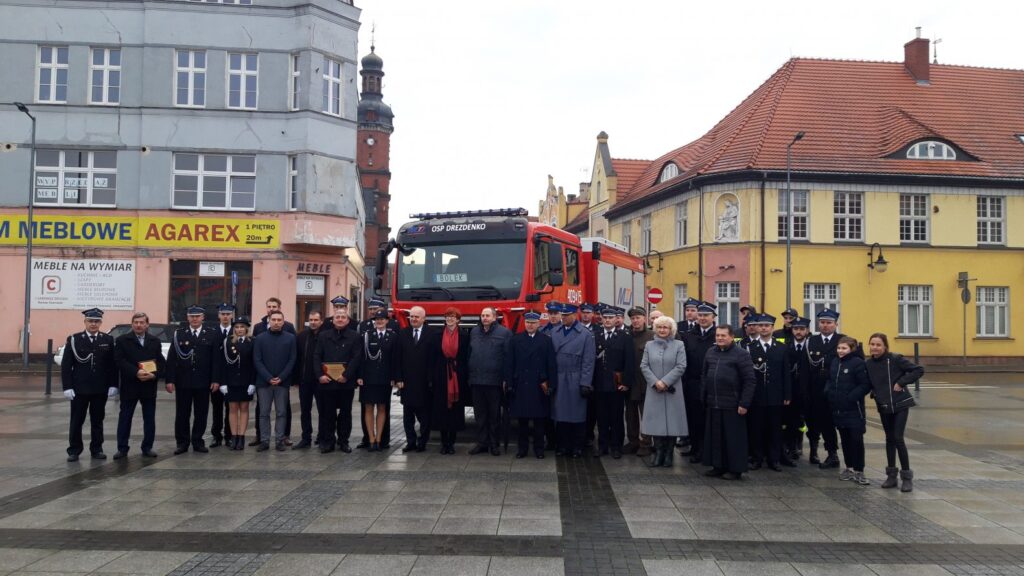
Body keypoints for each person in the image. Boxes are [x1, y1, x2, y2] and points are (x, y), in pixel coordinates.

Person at [865, 333, 924, 492]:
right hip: (884, 405)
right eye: (872, 344)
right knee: (889, 438)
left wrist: (901, 382)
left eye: (878, 345)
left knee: (898, 438)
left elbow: (918, 370)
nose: (875, 347)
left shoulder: (895, 359)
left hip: (900, 404)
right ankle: (891, 475)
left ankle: (906, 477)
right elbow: (867, 382)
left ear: (885, 346)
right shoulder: (868, 364)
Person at [62, 308, 118, 462]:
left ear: (100, 322)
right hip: (79, 388)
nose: (93, 324)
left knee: (97, 420)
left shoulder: (107, 340)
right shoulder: (74, 339)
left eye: (96, 321)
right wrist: (67, 387)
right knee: (76, 421)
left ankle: (97, 449)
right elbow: (67, 365)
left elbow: (112, 365)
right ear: (85, 322)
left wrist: (113, 384)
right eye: (90, 321)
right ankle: (74, 450)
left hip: (100, 388)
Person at [702, 325, 756, 480]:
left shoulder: (741, 354)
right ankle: (717, 466)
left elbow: (750, 381)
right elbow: (704, 375)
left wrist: (744, 403)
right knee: (716, 437)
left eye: (723, 335)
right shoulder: (710, 352)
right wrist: (704, 397)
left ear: (732, 337)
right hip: (714, 402)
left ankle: (735, 469)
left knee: (733, 439)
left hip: (733, 403)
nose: (719, 338)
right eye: (718, 335)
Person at [504, 311, 557, 458]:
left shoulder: (546, 340)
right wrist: (508, 383)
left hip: (539, 385)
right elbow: (509, 363)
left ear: (539, 323)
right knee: (522, 421)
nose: (530, 325)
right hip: (520, 384)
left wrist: (552, 384)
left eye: (533, 323)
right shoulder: (515, 340)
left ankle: (539, 449)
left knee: (539, 421)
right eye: (528, 322)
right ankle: (522, 449)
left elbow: (551, 364)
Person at [113, 312, 165, 459]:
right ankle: (122, 448)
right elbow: (119, 361)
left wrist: (154, 375)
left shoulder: (154, 341)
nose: (139, 325)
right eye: (136, 322)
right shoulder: (122, 340)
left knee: (149, 418)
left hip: (148, 385)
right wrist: (136, 372)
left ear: (147, 324)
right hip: (130, 385)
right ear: (132, 324)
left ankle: (147, 447)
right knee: (125, 417)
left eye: (142, 322)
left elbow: (160, 362)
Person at [166, 305, 217, 454]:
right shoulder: (179, 334)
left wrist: (215, 379)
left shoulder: (211, 334)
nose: (194, 319)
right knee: (182, 413)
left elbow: (216, 360)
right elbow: (171, 359)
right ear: (187, 318)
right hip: (183, 381)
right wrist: (170, 380)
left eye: (197, 316)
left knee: (201, 413)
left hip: (203, 381)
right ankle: (182, 442)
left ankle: (197, 441)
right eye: (192, 316)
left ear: (203, 317)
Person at [806, 308, 853, 469]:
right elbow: (806, 366)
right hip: (817, 391)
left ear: (836, 324)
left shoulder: (844, 340)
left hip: (837, 390)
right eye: (822, 322)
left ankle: (850, 459)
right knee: (824, 423)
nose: (825, 326)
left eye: (829, 323)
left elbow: (855, 364)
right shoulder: (811, 341)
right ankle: (831, 454)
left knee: (842, 425)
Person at [746, 314, 794, 471]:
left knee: (775, 428)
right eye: (761, 326)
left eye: (767, 326)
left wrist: (787, 395)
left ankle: (774, 459)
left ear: (773, 328)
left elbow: (786, 373)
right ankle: (757, 458)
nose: (764, 328)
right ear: (757, 328)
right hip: (757, 395)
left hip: (776, 395)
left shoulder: (781, 347)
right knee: (756, 428)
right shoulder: (750, 347)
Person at [640, 315, 687, 467]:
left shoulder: (679, 345)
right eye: (659, 327)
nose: (662, 330)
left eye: (665, 327)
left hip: (673, 390)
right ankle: (658, 452)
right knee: (656, 422)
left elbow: (681, 366)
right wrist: (656, 382)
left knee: (673, 422)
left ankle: (669, 454)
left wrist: (665, 382)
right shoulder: (649, 345)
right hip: (655, 390)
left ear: (671, 329)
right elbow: (644, 366)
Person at [550, 303, 596, 457]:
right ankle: (562, 445)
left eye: (566, 315)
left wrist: (585, 383)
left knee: (577, 415)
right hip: (559, 377)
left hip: (575, 378)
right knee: (560, 415)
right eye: (562, 315)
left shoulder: (585, 334)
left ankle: (577, 446)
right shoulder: (554, 332)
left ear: (574, 315)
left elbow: (588, 361)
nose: (563, 318)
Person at [825, 336, 872, 485]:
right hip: (838, 408)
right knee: (845, 439)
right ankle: (849, 467)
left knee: (856, 439)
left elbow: (865, 385)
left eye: (844, 348)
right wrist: (828, 392)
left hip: (853, 409)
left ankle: (859, 470)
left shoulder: (858, 363)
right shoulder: (835, 362)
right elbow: (830, 380)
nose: (840, 351)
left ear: (852, 349)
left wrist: (851, 397)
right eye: (839, 348)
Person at [313, 308, 360, 453]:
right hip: (327, 381)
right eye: (337, 317)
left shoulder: (355, 336)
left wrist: (346, 375)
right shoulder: (323, 336)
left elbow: (356, 358)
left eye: (343, 317)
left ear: (348, 320)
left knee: (345, 413)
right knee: (328, 413)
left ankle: (343, 441)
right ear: (332, 320)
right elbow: (316, 356)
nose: (340, 319)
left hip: (345, 381)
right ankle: (328, 442)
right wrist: (320, 375)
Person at [467, 307, 512, 455]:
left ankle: (494, 444)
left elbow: (508, 358)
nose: (484, 318)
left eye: (487, 315)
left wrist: (506, 379)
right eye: (482, 315)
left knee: (494, 416)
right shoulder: (474, 332)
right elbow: (469, 354)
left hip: (494, 381)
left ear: (494, 317)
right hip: (477, 380)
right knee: (479, 415)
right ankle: (482, 443)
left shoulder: (504, 333)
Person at [250, 298, 295, 446]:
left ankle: (280, 439)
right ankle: (264, 440)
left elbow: (292, 360)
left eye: (279, 320)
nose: (276, 322)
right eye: (273, 319)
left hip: (283, 382)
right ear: (269, 321)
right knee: (264, 413)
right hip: (264, 382)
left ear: (283, 322)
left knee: (282, 412)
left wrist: (281, 377)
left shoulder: (290, 338)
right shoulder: (260, 338)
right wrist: (268, 377)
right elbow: (257, 360)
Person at [356, 298, 398, 450]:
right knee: (368, 408)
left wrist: (395, 377)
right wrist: (359, 376)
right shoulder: (366, 335)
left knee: (382, 408)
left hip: (384, 378)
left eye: (382, 319)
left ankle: (379, 439)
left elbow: (395, 359)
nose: (379, 321)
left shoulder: (393, 336)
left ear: (387, 320)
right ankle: (371, 438)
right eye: (377, 319)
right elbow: (361, 357)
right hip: (368, 377)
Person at [593, 306, 634, 459]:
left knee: (616, 417)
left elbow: (629, 362)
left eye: (611, 318)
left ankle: (616, 446)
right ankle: (602, 446)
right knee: (601, 417)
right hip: (599, 383)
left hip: (616, 384)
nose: (608, 320)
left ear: (616, 319)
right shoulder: (595, 335)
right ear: (602, 319)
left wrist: (626, 382)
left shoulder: (624, 336)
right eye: (606, 318)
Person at [680, 303, 717, 462]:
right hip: (693, 383)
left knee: (709, 419)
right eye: (700, 315)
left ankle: (707, 451)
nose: (702, 318)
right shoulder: (689, 335)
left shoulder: (718, 335)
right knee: (693, 418)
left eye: (706, 315)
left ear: (713, 318)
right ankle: (695, 448)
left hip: (712, 384)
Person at [394, 306, 434, 452]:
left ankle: (422, 442)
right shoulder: (403, 334)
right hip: (407, 382)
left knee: (424, 416)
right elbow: (397, 358)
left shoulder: (432, 334)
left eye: (417, 317)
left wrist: (431, 380)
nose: (414, 319)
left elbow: (433, 360)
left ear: (424, 318)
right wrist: (398, 378)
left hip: (424, 383)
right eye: (412, 316)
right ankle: (410, 442)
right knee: (408, 416)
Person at [213, 316, 256, 450]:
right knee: (232, 409)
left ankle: (241, 438)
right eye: (236, 327)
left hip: (246, 381)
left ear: (247, 328)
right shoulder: (227, 342)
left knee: (244, 409)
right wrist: (223, 383)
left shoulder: (252, 342)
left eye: (242, 327)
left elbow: (255, 364)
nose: (239, 329)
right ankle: (234, 436)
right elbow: (223, 363)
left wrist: (252, 383)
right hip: (231, 381)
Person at [432, 307, 469, 454]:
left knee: (455, 411)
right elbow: (433, 357)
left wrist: (464, 374)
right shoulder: (437, 335)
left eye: (453, 316)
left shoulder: (465, 336)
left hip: (457, 377)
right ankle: (443, 442)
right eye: (447, 316)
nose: (450, 319)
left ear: (458, 319)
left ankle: (452, 443)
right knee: (442, 410)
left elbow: (466, 357)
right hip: (441, 377)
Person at [292, 310, 324, 450]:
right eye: (311, 320)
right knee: (305, 410)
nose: (313, 322)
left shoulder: (325, 336)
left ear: (321, 321)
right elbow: (297, 358)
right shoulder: (301, 336)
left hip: (321, 380)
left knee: (323, 410)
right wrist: (296, 379)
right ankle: (306, 438)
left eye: (316, 320)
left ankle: (322, 436)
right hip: (305, 380)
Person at [626, 307, 654, 456]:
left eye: (638, 317)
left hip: (646, 382)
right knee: (630, 415)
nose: (635, 321)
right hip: (630, 382)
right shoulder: (626, 335)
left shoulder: (652, 336)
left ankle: (646, 442)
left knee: (647, 414)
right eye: (633, 318)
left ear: (644, 318)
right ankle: (633, 441)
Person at [784, 316, 813, 461]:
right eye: (796, 329)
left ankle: (813, 451)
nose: (799, 332)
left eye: (802, 329)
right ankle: (791, 448)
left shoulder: (812, 346)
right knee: (791, 421)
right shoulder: (786, 346)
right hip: (791, 391)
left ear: (807, 330)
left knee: (812, 422)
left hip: (809, 390)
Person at [210, 303, 235, 448]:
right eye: (223, 314)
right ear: (219, 315)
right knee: (216, 408)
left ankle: (229, 435)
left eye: (228, 314)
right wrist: (214, 379)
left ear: (232, 315)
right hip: (216, 378)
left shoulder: (236, 331)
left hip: (231, 378)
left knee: (231, 408)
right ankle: (216, 436)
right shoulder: (212, 332)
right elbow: (211, 359)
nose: (225, 317)